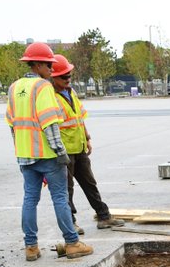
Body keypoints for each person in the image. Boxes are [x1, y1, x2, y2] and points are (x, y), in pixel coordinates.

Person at [4, 41, 91, 261]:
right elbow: (49, 123)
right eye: (49, 65)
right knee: (60, 198)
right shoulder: (43, 87)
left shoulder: (14, 88)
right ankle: (72, 243)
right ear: (39, 65)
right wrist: (60, 151)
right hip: (48, 154)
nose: (52, 70)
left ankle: (31, 247)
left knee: (30, 199)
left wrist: (20, 152)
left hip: (25, 155)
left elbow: (12, 124)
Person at [48, 55, 125, 235]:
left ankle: (103, 216)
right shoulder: (50, 97)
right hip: (64, 151)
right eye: (63, 76)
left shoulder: (71, 92)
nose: (68, 79)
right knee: (67, 190)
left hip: (80, 147)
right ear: (53, 77)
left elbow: (79, 118)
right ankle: (71, 222)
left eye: (69, 75)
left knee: (90, 183)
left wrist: (87, 138)